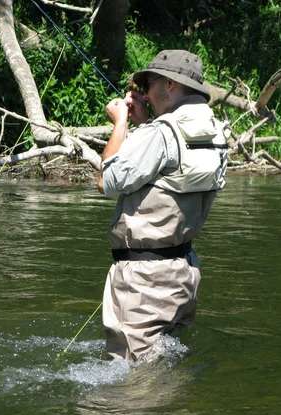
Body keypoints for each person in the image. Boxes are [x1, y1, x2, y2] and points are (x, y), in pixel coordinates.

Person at [98, 49, 227, 361]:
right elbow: (169, 168)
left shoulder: (160, 133)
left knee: (133, 381)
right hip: (183, 272)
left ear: (169, 84)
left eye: (149, 84)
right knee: (163, 364)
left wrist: (122, 121)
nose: (145, 94)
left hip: (145, 280)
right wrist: (148, 123)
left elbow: (107, 180)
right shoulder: (217, 133)